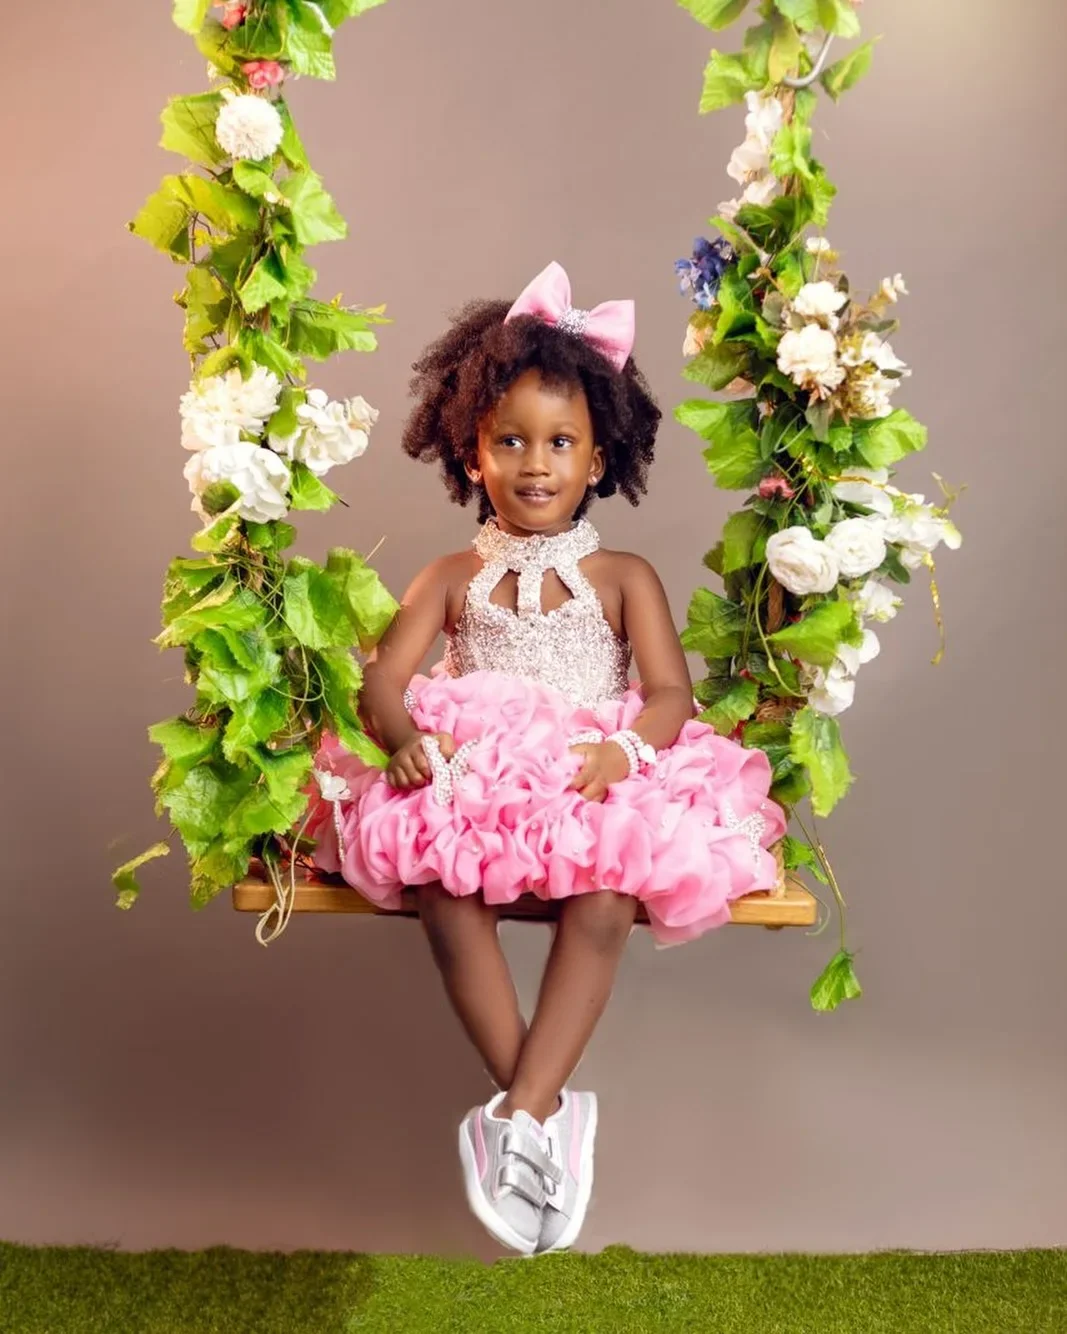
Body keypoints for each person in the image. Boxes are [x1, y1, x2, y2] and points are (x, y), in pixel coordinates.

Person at [306, 261, 785, 1255]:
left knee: (608, 888)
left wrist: (618, 748)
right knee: (441, 881)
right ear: (468, 452)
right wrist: (404, 742)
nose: (534, 462)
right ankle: (540, 1110)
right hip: (477, 778)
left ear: (598, 454)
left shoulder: (620, 575)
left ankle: (517, 1116)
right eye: (509, 440)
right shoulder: (447, 576)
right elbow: (381, 686)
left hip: (583, 774)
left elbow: (667, 695)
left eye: (559, 442)